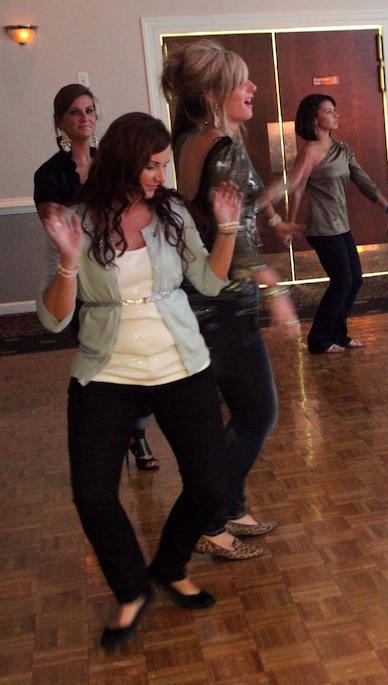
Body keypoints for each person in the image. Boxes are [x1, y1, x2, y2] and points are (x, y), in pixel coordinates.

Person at [36, 112, 240, 647]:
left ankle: (170, 565)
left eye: (162, 166)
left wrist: (228, 229)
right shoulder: (79, 219)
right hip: (107, 372)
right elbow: (54, 318)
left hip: (180, 363)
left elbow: (209, 282)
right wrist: (67, 262)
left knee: (209, 484)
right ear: (126, 161)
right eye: (151, 166)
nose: (159, 176)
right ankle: (132, 589)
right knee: (93, 494)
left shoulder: (170, 211)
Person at [161, 39, 300, 561]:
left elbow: (233, 210)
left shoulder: (195, 141)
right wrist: (277, 289)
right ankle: (211, 517)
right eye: (243, 81)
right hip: (224, 298)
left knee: (246, 409)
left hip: (209, 293)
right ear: (214, 92)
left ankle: (232, 504)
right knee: (259, 411)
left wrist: (275, 208)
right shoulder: (222, 144)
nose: (253, 87)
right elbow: (231, 234)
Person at [34, 84, 160, 471]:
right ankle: (114, 432)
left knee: (139, 349)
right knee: (103, 350)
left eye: (89, 110)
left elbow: (132, 208)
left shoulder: (112, 162)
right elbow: (54, 224)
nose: (84, 117)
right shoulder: (50, 173)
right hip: (77, 268)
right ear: (61, 121)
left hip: (119, 261)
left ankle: (137, 432)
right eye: (75, 112)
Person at [287, 93, 388, 354]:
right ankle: (319, 339)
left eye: (334, 110)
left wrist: (385, 203)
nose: (335, 115)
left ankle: (338, 334)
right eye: (329, 111)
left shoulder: (343, 149)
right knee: (342, 281)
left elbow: (362, 179)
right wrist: (291, 223)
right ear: (314, 118)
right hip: (321, 227)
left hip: (340, 225)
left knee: (354, 279)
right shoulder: (309, 152)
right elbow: (296, 189)